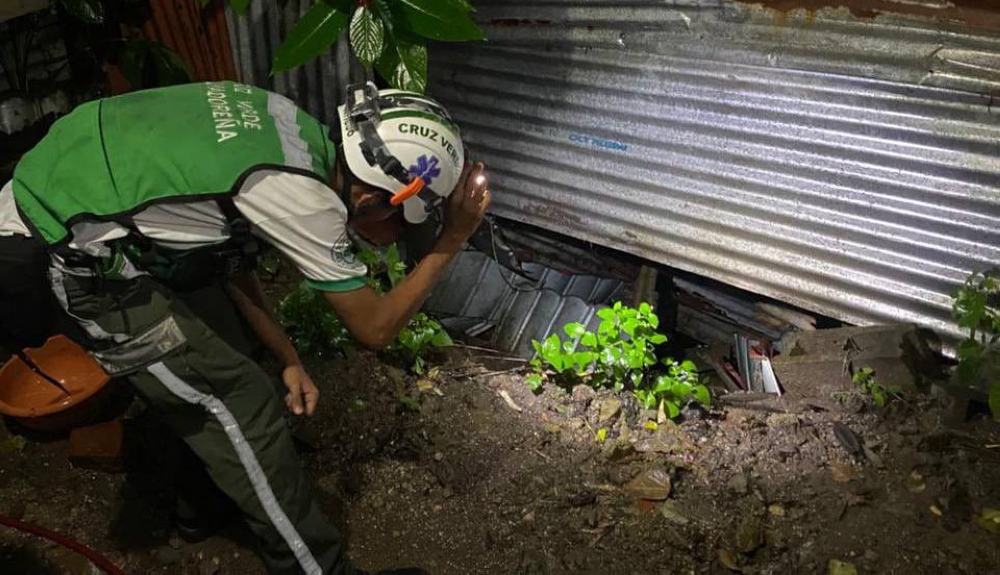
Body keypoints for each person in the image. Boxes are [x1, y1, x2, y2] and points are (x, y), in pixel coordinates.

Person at [0, 80, 491, 575]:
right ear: (371, 197)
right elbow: (375, 328)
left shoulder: (290, 126)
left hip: (83, 202)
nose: (395, 237)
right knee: (243, 402)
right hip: (70, 256)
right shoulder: (306, 200)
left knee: (223, 358)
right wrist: (451, 240)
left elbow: (228, 255)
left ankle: (204, 506)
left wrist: (287, 357)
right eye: (403, 223)